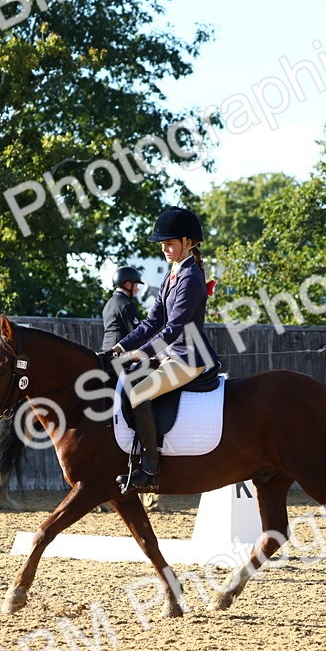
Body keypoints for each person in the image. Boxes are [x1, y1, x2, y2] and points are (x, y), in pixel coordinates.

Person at [102, 206, 221, 493]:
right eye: (163, 244)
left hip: (188, 359)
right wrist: (120, 346)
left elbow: (174, 328)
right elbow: (152, 322)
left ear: (188, 243)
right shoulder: (173, 275)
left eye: (169, 243)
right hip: (171, 355)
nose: (164, 248)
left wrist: (142, 353)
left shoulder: (191, 278)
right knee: (127, 380)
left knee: (139, 391)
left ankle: (150, 468)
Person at [101, 266, 144, 350]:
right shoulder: (126, 304)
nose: (137, 289)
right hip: (119, 354)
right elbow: (138, 334)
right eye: (136, 285)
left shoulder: (109, 303)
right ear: (128, 285)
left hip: (106, 350)